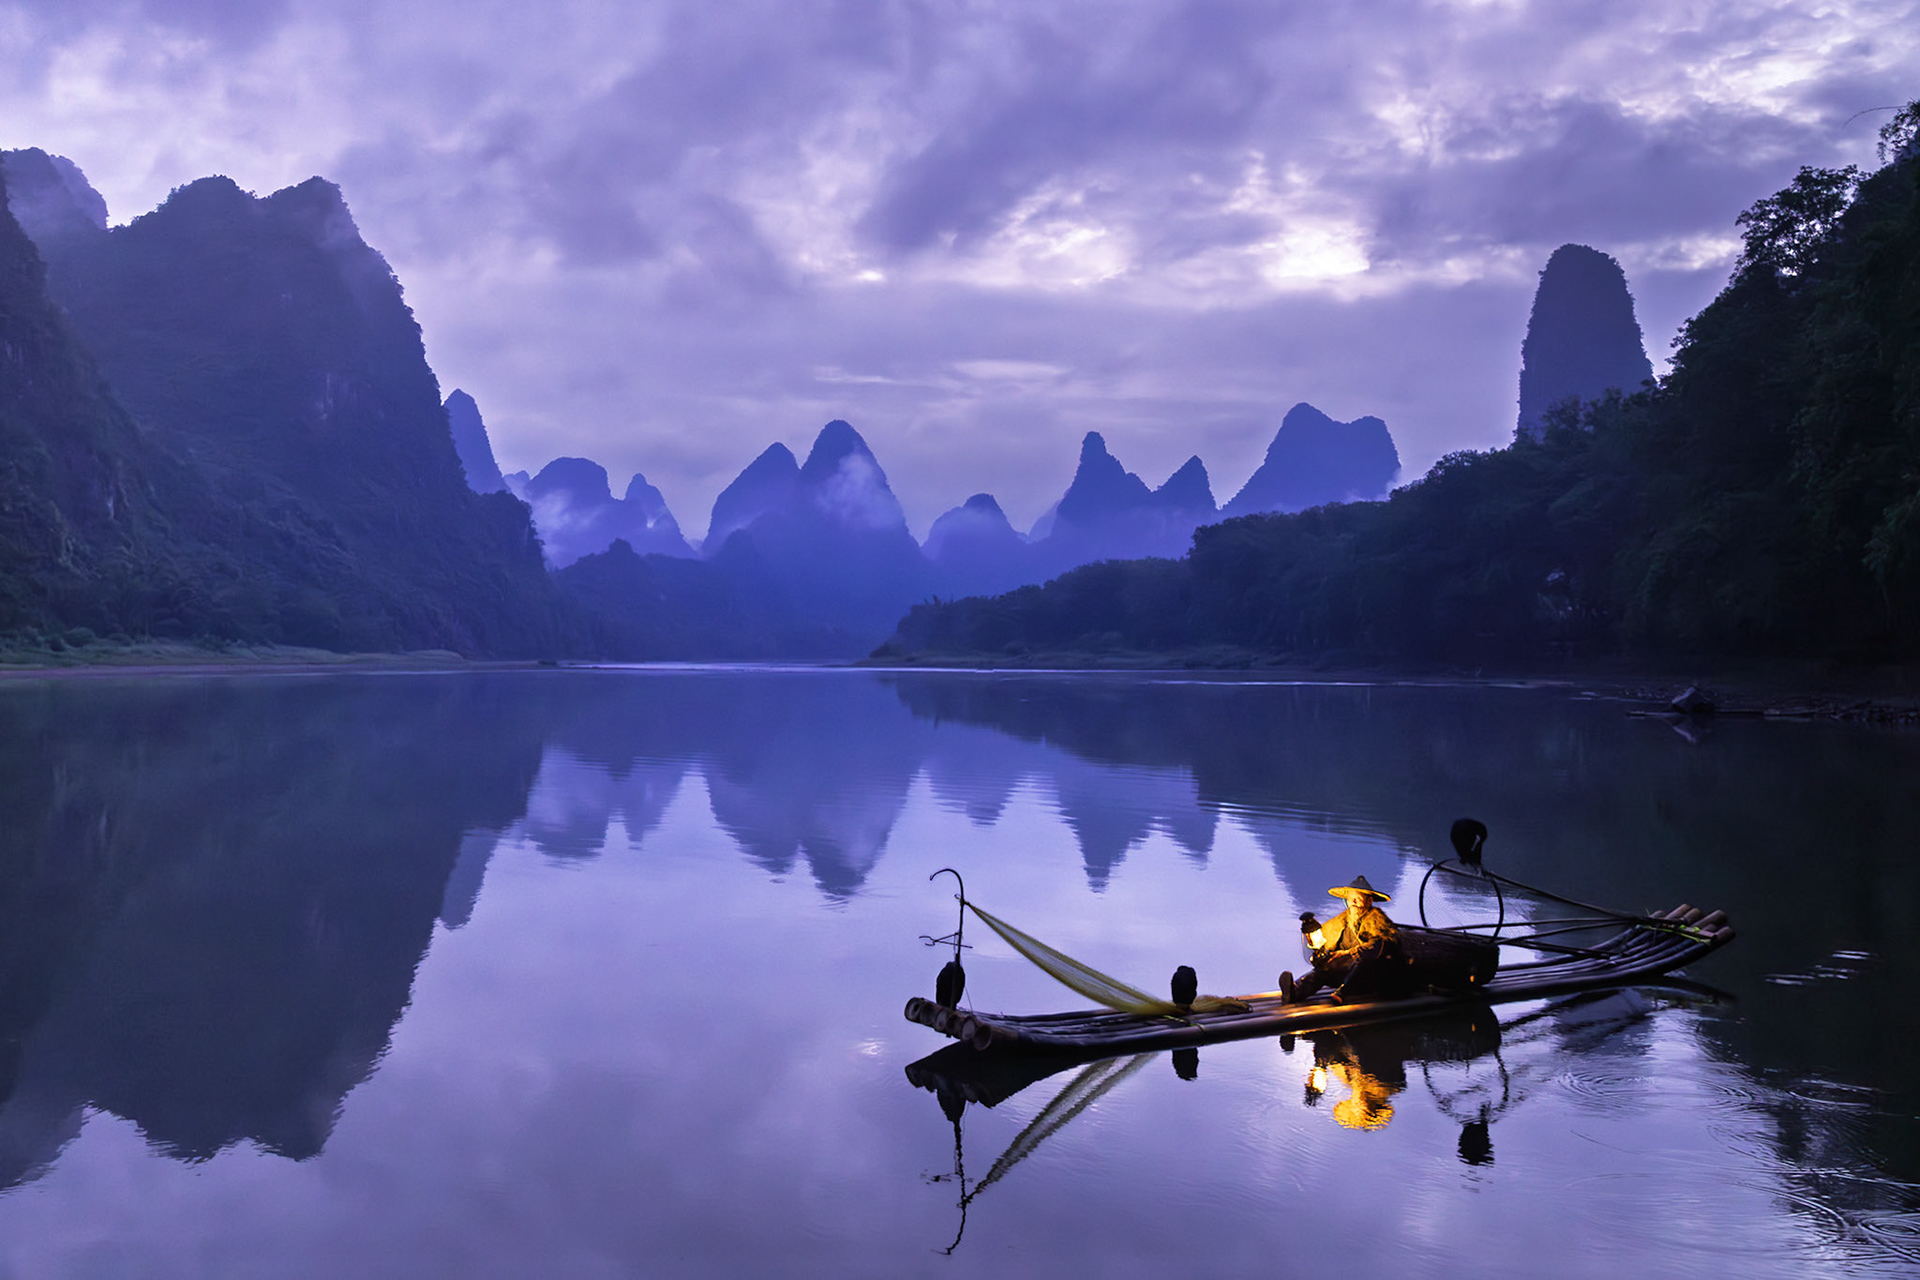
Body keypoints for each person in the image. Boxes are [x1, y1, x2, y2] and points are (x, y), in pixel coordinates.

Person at [1279, 875, 1404, 1003]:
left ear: (1369, 901)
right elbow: (1327, 944)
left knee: (1362, 962)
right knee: (1324, 969)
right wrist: (1322, 956)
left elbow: (1384, 944)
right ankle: (1295, 992)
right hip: (1345, 973)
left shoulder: (1378, 922)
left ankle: (1342, 993)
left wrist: (1348, 954)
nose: (1353, 902)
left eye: (1358, 899)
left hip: (1373, 977)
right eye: (1351, 899)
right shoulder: (1342, 922)